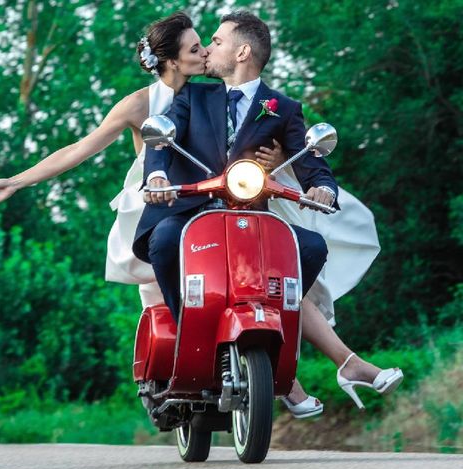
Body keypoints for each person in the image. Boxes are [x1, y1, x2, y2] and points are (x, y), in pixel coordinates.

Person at [133, 11, 403, 414]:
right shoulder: (194, 95)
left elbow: (313, 165)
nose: (209, 48)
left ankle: (270, 343)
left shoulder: (283, 107)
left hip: (252, 219)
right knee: (166, 239)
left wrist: (323, 189)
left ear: (242, 52)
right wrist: (155, 178)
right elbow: (161, 142)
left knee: (309, 247)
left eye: (218, 42)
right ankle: (192, 334)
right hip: (194, 212)